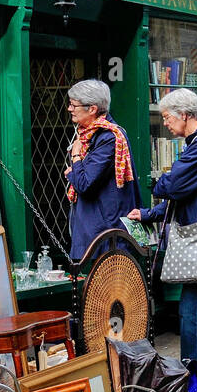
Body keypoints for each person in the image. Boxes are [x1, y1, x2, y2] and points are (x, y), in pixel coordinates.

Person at [128, 89, 197, 392]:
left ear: (185, 115)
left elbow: (175, 185)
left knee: (191, 311)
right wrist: (150, 213)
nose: (165, 123)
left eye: (168, 117)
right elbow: (189, 194)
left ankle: (194, 381)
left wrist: (161, 182)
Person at [64, 79, 140, 262]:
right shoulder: (91, 133)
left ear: (92, 109)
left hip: (104, 235)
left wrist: (76, 157)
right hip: (97, 230)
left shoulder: (108, 137)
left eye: (74, 105)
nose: (69, 109)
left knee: (105, 288)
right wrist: (76, 170)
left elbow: (84, 184)